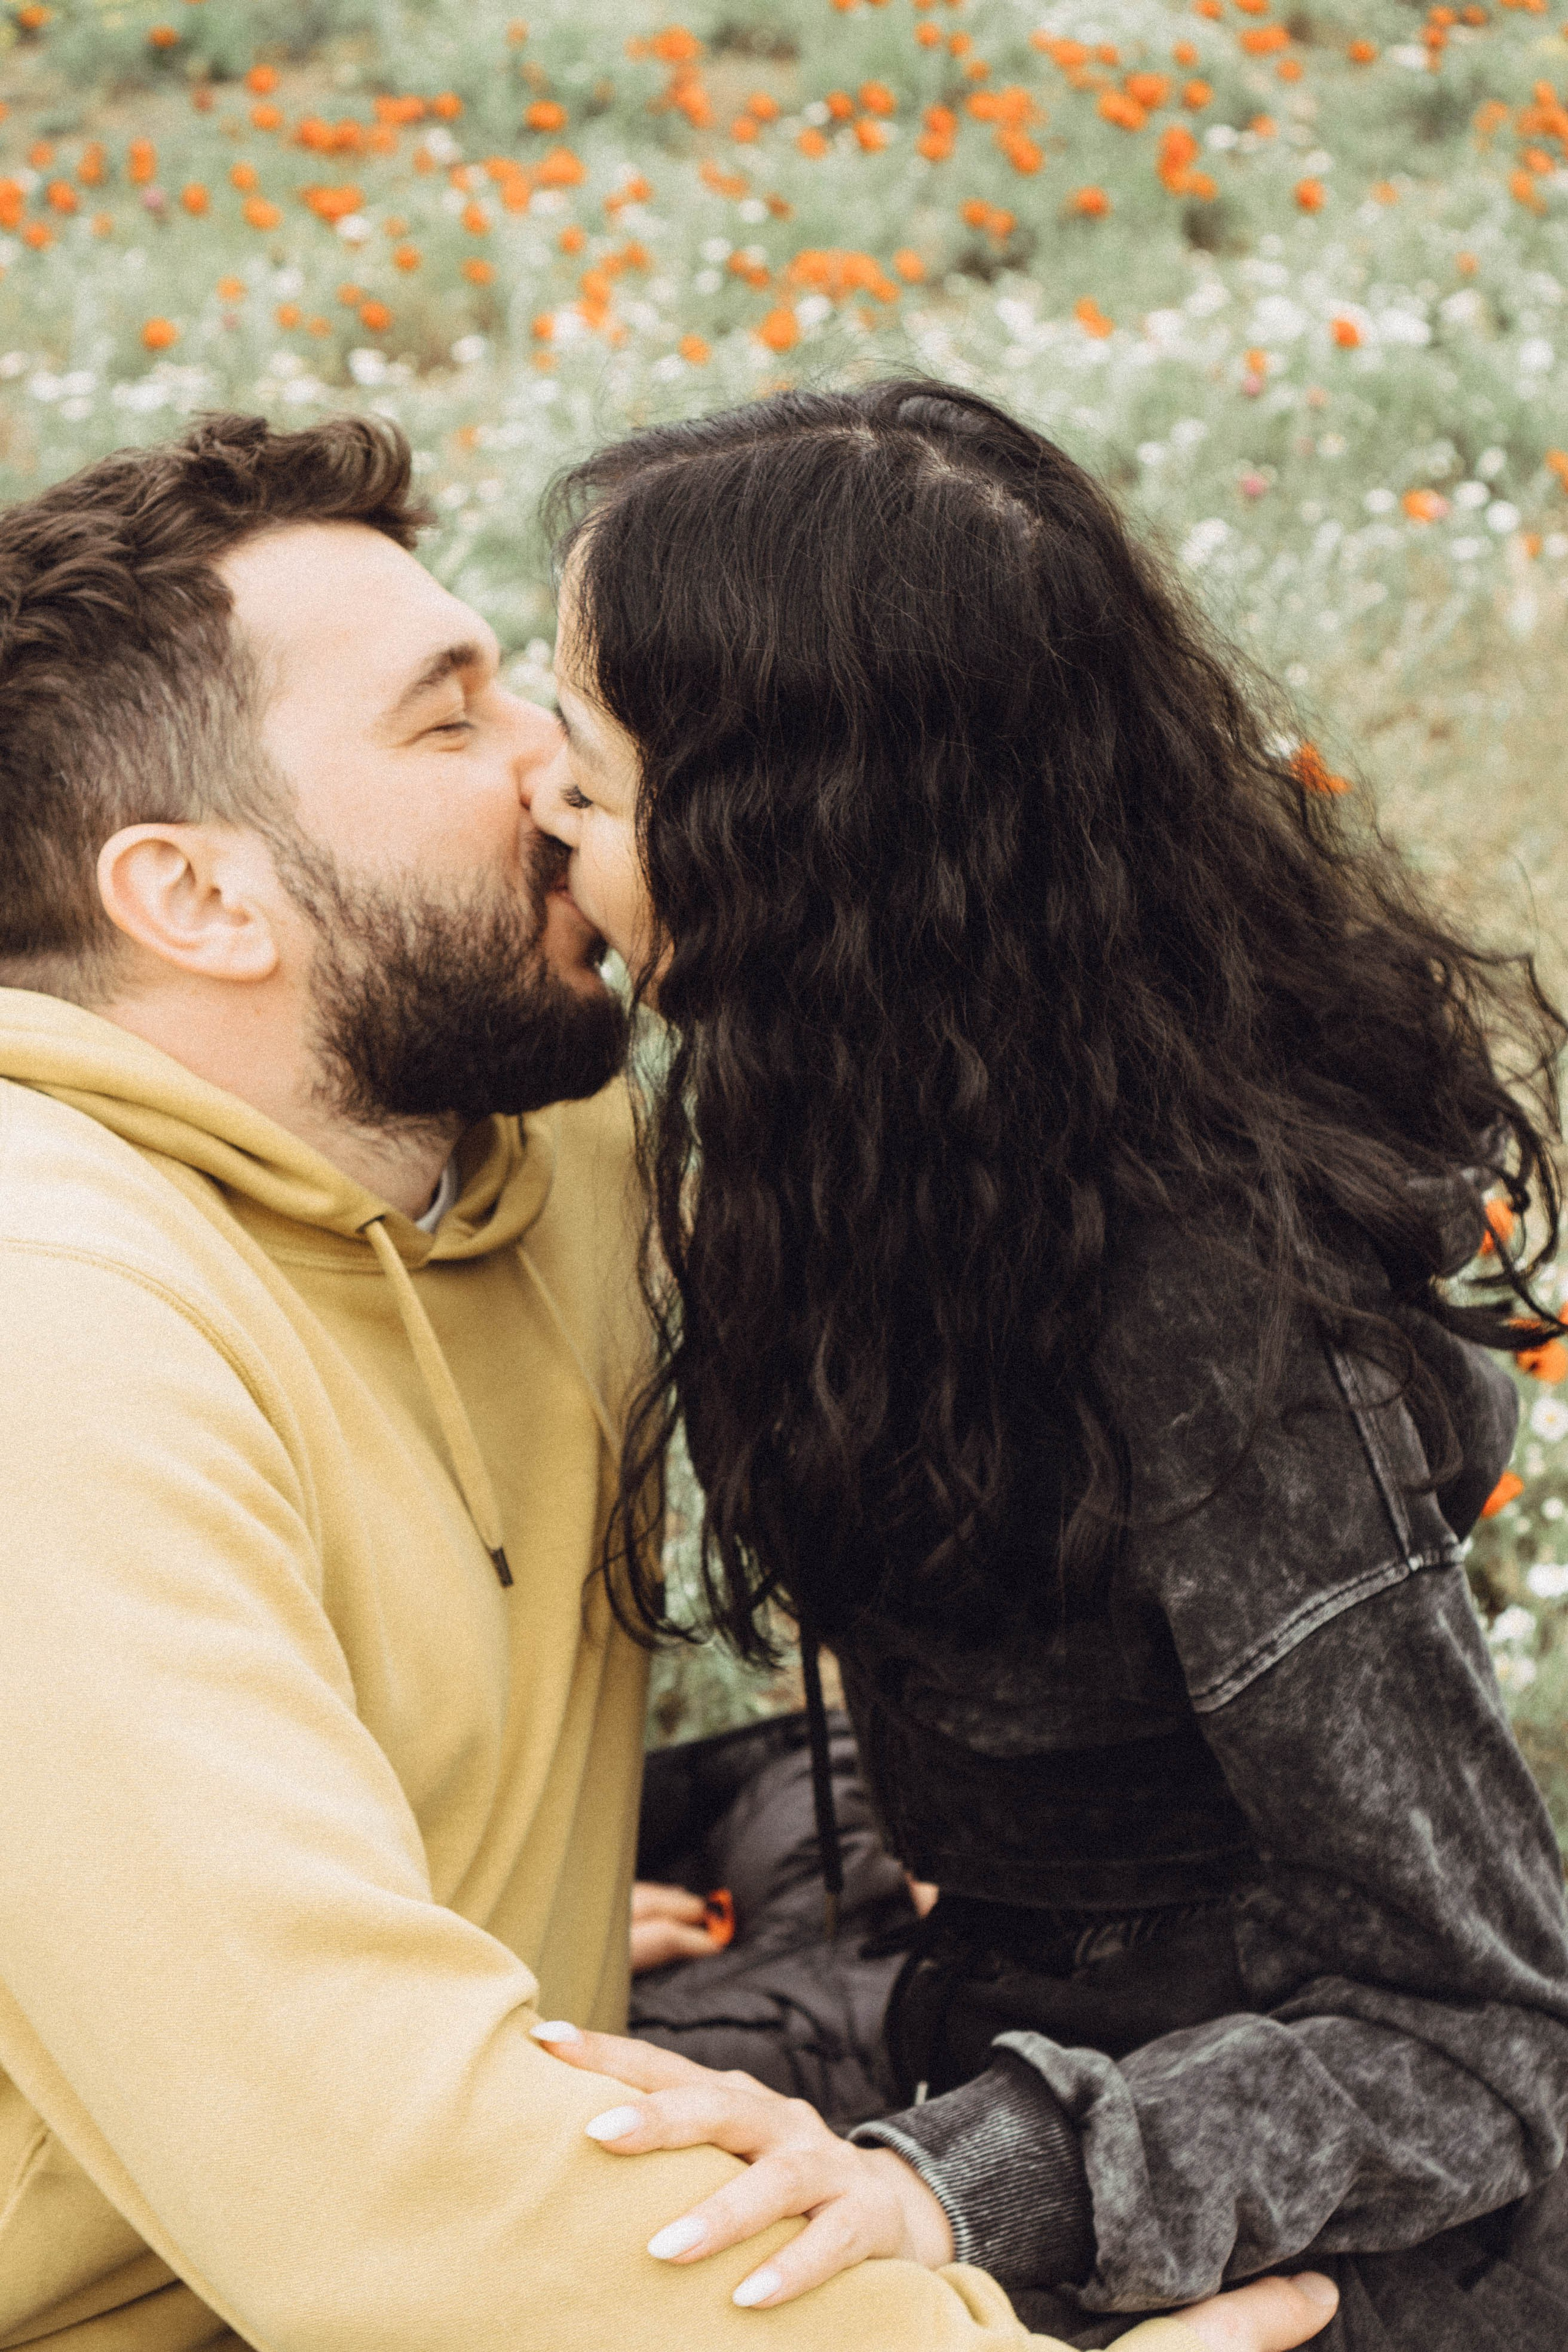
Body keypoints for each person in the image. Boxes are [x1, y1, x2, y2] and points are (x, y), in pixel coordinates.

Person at [0, 412, 1333, 2352]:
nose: (564, 773)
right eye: (453, 723)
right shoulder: (53, 1323)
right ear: (199, 898)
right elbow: (383, 2210)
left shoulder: (524, 1145)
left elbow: (967, 996)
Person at [523, 379, 1568, 2349]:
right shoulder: (851, 1112)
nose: (536, 798)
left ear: (794, 843)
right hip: (972, 1991)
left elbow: (1484, 2025)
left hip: (1259, 2194)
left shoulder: (1212, 1315)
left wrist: (965, 2177)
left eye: (588, 759)